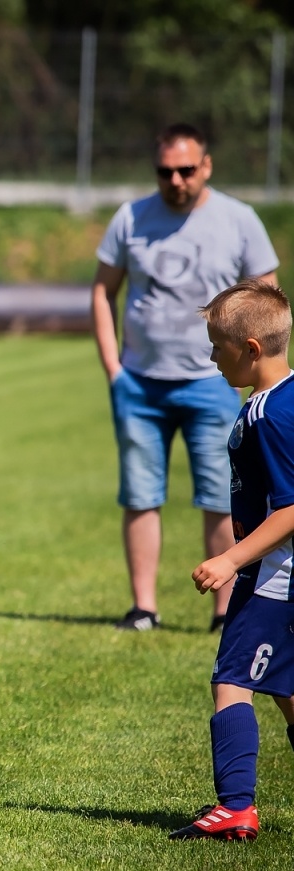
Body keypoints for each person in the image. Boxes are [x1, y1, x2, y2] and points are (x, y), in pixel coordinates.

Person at [92, 123, 279, 632]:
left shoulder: (238, 220)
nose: (175, 179)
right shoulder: (130, 217)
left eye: (186, 170)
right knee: (139, 494)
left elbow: (268, 298)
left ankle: (224, 611)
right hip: (140, 381)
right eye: (165, 171)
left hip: (213, 383)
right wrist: (113, 366)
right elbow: (103, 290)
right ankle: (143, 608)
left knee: (223, 496)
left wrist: (256, 373)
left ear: (207, 166)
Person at [173, 281, 294, 842]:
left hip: (275, 573)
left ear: (250, 347)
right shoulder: (278, 401)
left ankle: (236, 806)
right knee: (287, 689)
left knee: (232, 678)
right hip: (275, 571)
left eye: (217, 347)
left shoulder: (270, 413)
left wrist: (230, 559)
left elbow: (291, 509)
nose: (211, 357)